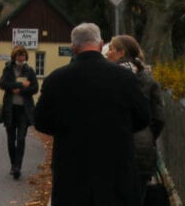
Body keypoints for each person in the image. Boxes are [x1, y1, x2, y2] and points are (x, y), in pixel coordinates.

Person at [33, 22, 151, 206]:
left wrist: (64, 129)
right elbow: (144, 117)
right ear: (100, 43)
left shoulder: (56, 79)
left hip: (71, 169)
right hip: (116, 168)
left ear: (73, 47)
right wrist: (121, 128)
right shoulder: (125, 78)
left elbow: (40, 121)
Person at [105, 35, 165, 200]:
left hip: (113, 150)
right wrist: (147, 135)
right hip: (143, 151)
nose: (108, 53)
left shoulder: (110, 77)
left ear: (121, 53)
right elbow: (159, 117)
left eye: (111, 49)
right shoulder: (148, 79)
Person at [0, 44, 39, 179]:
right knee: (11, 139)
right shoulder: (8, 69)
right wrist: (19, 85)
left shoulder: (30, 71)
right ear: (14, 57)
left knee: (21, 139)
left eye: (23, 56)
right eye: (19, 56)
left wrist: (21, 90)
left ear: (25, 57)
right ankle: (13, 164)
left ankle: (17, 167)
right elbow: (3, 84)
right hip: (10, 109)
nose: (21, 58)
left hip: (24, 110)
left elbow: (34, 88)